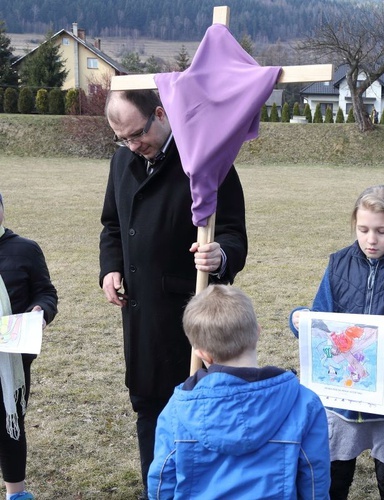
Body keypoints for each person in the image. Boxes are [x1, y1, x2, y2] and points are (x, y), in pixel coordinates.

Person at [99, 89, 248, 496]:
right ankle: (158, 487)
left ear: (160, 114)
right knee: (147, 407)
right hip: (140, 316)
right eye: (122, 138)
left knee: (195, 410)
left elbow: (234, 234)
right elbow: (112, 226)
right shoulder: (122, 161)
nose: (133, 145)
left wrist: (220, 256)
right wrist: (110, 268)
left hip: (189, 318)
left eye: (137, 134)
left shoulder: (204, 159)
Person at [289, 185, 384, 500]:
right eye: (363, 229)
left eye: (381, 231)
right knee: (335, 477)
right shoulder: (338, 264)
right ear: (354, 225)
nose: (371, 239)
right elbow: (319, 322)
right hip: (342, 401)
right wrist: (299, 320)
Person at [148, 285, 330, 499]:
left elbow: (162, 481)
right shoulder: (305, 404)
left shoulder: (176, 410)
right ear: (258, 332)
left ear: (200, 353)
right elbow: (314, 480)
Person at [0, 191, 58, 500]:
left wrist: (41, 311)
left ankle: (16, 493)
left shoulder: (24, 249)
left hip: (11, 357)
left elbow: (46, 292)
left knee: (10, 421)